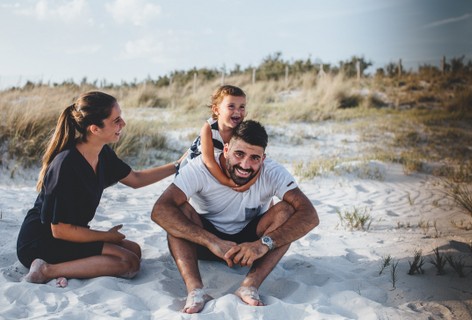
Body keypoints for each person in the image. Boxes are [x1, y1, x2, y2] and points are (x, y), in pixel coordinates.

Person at [151, 120, 319, 314]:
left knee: (287, 211)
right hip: (205, 242)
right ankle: (195, 290)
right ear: (226, 150)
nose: (245, 165)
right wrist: (211, 241)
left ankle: (250, 286)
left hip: (251, 246)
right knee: (176, 210)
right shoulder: (200, 168)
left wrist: (263, 243)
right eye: (239, 154)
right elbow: (160, 210)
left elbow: (310, 215)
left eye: (254, 158)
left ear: (263, 158)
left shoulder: (273, 171)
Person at [16, 91, 181, 287]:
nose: (123, 124)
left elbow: (135, 179)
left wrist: (178, 165)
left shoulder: (102, 153)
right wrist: (106, 236)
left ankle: (65, 268)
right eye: (116, 120)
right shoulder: (66, 165)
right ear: (95, 128)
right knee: (128, 263)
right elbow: (60, 230)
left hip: (69, 235)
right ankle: (46, 270)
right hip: (42, 241)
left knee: (134, 250)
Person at [181, 85, 255, 191]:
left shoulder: (241, 129)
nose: (237, 111)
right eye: (231, 106)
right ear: (216, 110)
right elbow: (209, 161)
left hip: (220, 158)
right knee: (185, 184)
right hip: (197, 156)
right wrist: (227, 182)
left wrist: (248, 184)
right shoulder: (209, 128)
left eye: (241, 107)